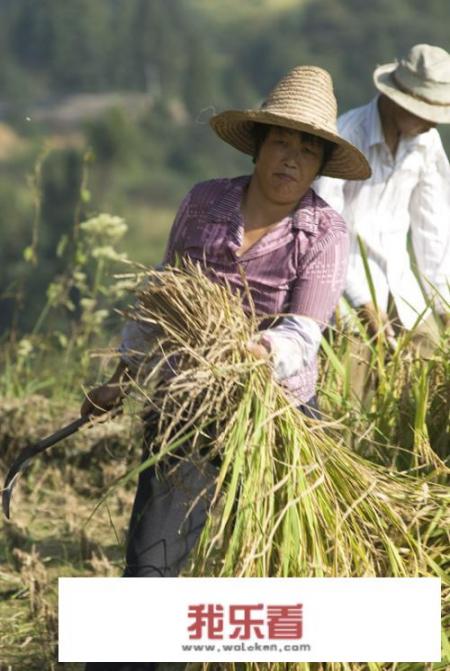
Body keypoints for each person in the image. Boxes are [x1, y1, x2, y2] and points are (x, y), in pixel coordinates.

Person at [81, 65, 370, 670]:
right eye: (282, 142)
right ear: (260, 145)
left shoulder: (323, 232)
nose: (292, 159)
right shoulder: (205, 201)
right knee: (152, 566)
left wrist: (254, 354)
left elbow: (302, 333)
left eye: (308, 149)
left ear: (320, 165)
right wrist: (122, 376)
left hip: (275, 417)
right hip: (187, 406)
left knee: (272, 579)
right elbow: (162, 301)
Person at [315, 44, 450, 398]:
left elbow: (432, 228)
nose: (432, 121)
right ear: (396, 98)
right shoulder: (348, 136)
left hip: (401, 288)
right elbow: (326, 230)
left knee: (425, 386)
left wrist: (444, 305)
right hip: (344, 292)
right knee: (347, 400)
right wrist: (362, 302)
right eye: (424, 110)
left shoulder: (426, 143)